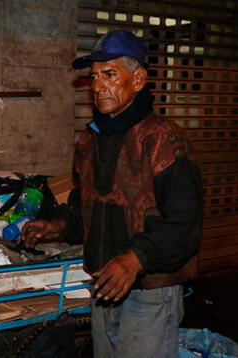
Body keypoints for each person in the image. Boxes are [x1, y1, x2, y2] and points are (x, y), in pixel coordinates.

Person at [22, 30, 202, 358]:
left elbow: (183, 226)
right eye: (93, 76)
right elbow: (87, 205)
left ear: (138, 79)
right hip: (104, 281)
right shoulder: (90, 141)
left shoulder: (164, 140)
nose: (97, 86)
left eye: (109, 74)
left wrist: (135, 259)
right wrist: (58, 226)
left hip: (150, 288)